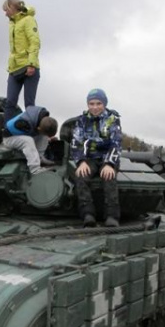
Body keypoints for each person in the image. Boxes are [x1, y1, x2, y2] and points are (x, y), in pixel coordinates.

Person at [70, 88, 122, 228]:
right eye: (91, 103)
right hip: (89, 159)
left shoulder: (113, 120)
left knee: (109, 177)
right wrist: (81, 161)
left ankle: (112, 215)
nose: (95, 107)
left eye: (98, 103)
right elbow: (76, 143)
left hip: (108, 158)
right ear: (88, 105)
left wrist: (109, 164)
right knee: (81, 176)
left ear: (104, 104)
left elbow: (116, 144)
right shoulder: (81, 121)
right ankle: (88, 214)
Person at [3, 0, 41, 122]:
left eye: (6, 10)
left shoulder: (28, 20)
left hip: (28, 67)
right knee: (10, 102)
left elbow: (34, 42)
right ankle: (7, 132)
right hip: (14, 69)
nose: (5, 14)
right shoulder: (12, 23)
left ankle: (31, 132)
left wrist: (31, 64)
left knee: (29, 104)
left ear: (12, 8)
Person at [2, 106, 58, 175]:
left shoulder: (41, 118)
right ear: (38, 128)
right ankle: (35, 169)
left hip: (22, 134)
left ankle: (39, 158)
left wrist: (48, 138)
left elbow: (39, 132)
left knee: (43, 135)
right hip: (9, 138)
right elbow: (24, 136)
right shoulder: (23, 124)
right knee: (28, 141)